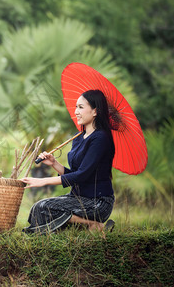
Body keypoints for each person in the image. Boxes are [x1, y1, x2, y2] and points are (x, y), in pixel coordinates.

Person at [21, 89, 115, 234]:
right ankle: (86, 226)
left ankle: (94, 224)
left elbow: (82, 175)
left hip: (97, 201)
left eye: (81, 107)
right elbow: (76, 174)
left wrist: (43, 181)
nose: (76, 111)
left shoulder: (100, 138)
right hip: (78, 198)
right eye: (76, 107)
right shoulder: (78, 138)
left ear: (95, 111)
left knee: (43, 208)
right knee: (37, 209)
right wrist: (54, 163)